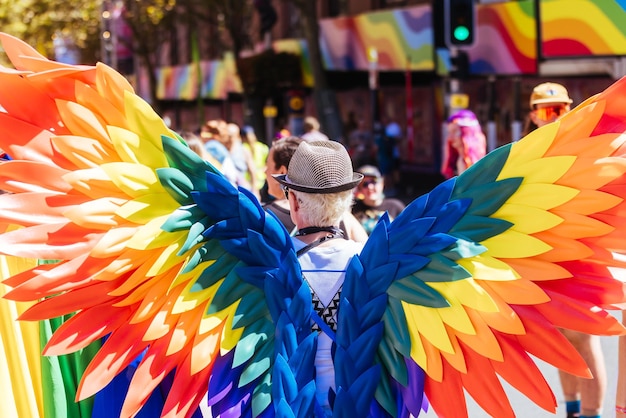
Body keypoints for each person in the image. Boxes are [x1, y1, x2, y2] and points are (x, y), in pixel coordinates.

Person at [528, 82, 605, 418]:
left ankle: (592, 413)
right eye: (546, 111)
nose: (553, 117)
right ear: (533, 116)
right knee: (560, 336)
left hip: (584, 252)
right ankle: (573, 410)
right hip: (545, 254)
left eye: (559, 109)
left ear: (570, 109)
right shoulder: (526, 152)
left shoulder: (586, 145)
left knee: (584, 336)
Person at [273, 140, 364, 412]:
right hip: (359, 406)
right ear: (347, 202)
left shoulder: (274, 265)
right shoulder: (368, 261)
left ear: (293, 201)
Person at [265, 136, 368, 242]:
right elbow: (366, 247)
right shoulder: (345, 217)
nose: (264, 171)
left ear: (294, 200)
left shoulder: (264, 217)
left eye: (267, 166)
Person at [352, 165, 405, 235]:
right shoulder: (353, 209)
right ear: (359, 189)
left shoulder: (395, 206)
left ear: (382, 184)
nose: (370, 187)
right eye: (365, 184)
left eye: (373, 182)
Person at [440, 109, 487, 179]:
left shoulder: (477, 167)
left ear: (468, 134)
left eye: (455, 132)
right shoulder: (457, 161)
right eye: (449, 132)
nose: (450, 137)